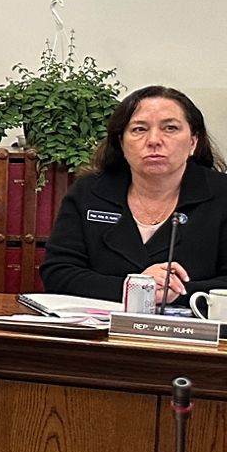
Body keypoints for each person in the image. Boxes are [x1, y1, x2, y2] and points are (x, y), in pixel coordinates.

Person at [41, 85, 227, 303]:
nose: (154, 140)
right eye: (139, 129)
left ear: (193, 141)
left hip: (193, 322)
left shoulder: (222, 195)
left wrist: (177, 292)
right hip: (100, 322)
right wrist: (134, 288)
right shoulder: (88, 192)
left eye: (170, 128)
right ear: (121, 142)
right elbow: (57, 272)